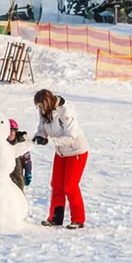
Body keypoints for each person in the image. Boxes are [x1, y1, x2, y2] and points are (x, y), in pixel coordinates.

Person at [32, 88, 88, 228]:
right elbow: (42, 128)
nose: (40, 109)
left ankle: (78, 219)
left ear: (49, 102)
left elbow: (71, 136)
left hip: (76, 150)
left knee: (70, 185)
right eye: (38, 106)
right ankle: (55, 217)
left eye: (41, 105)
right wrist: (40, 136)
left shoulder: (66, 111)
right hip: (61, 151)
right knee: (56, 184)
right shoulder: (44, 111)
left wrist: (51, 141)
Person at [7, 118, 33, 191]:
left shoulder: (21, 145)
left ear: (15, 132)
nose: (10, 133)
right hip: (4, 178)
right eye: (8, 131)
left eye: (12, 131)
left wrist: (28, 173)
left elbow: (27, 160)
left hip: (17, 177)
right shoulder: (2, 143)